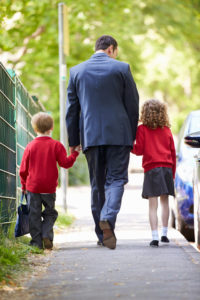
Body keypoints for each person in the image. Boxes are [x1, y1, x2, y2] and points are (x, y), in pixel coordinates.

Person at [66, 35, 139, 249]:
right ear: (111, 49)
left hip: (91, 136)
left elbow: (72, 111)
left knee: (97, 185)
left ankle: (102, 235)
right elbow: (133, 105)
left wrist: (73, 141)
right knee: (116, 180)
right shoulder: (122, 69)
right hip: (119, 135)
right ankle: (107, 218)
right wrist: (131, 135)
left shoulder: (76, 71)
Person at [20, 112, 80, 249]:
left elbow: (23, 169)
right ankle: (46, 233)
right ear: (51, 128)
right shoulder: (56, 145)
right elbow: (65, 163)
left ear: (35, 129)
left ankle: (36, 243)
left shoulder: (30, 146)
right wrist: (75, 153)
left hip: (33, 187)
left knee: (34, 214)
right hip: (49, 187)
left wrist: (23, 185)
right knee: (50, 212)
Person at [131, 99, 176, 247]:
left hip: (152, 169)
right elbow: (172, 152)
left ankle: (155, 236)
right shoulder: (167, 130)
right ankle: (164, 234)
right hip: (167, 169)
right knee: (165, 202)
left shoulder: (142, 129)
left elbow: (138, 150)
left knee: (153, 205)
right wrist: (173, 174)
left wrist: (128, 145)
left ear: (145, 113)